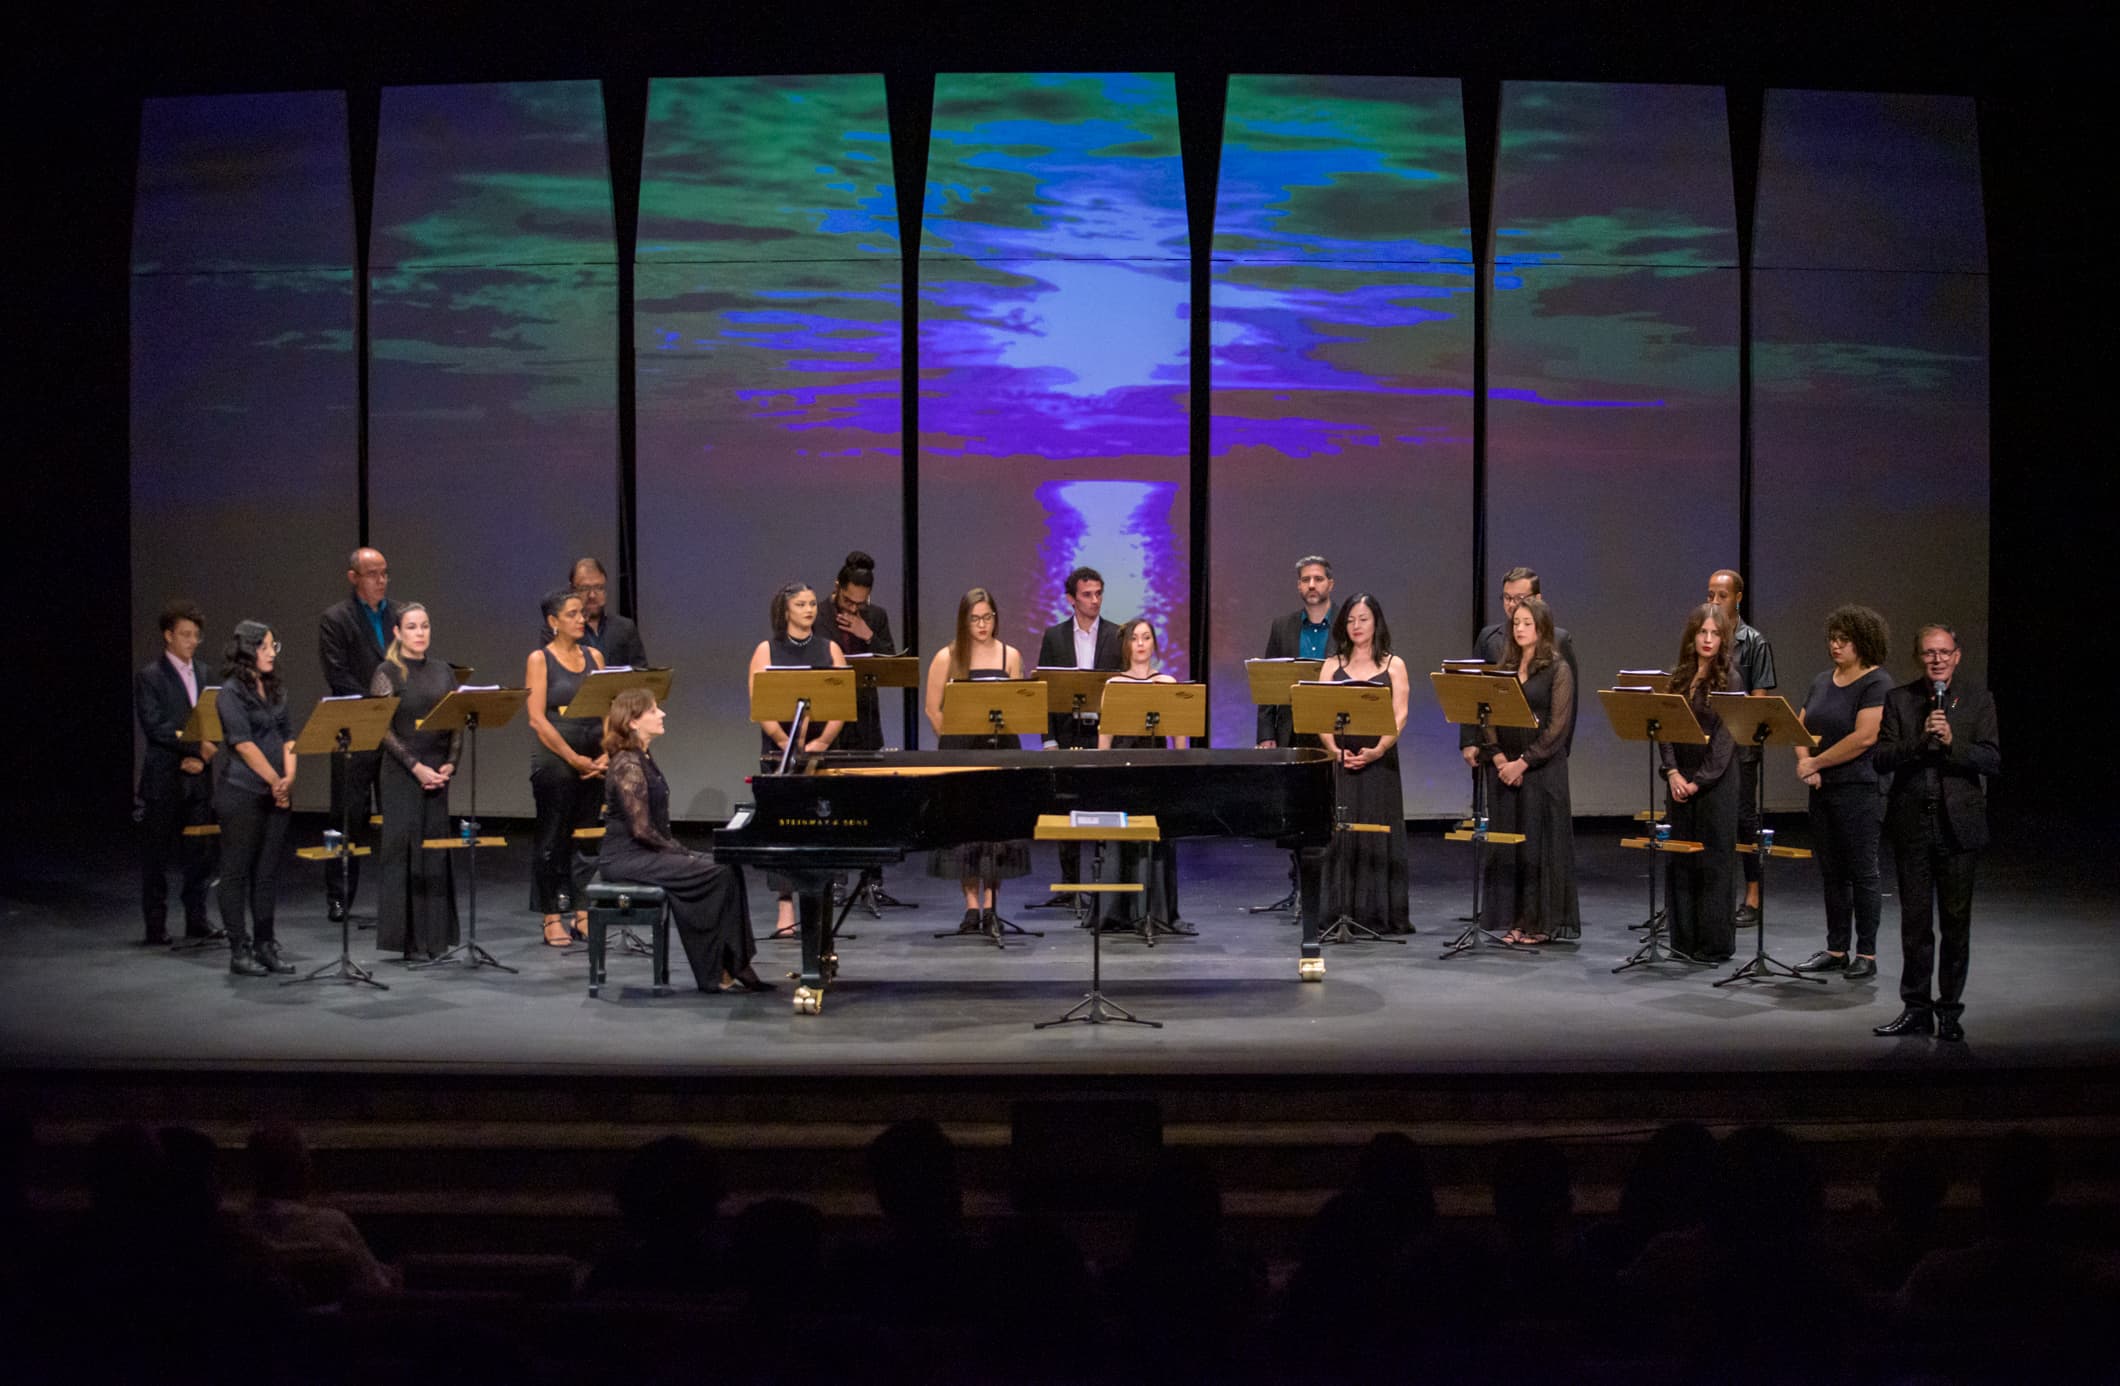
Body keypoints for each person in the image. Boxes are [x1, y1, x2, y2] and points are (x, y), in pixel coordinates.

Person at [1871, 623, 2000, 1041]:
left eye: (1944, 652)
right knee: (1915, 924)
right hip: (1913, 826)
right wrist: (1920, 738)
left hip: (1957, 827)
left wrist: (1950, 743)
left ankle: (1949, 1012)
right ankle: (1916, 1009)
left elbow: (1991, 759)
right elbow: (1881, 758)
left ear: (1957, 656)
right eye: (1929, 652)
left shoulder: (1977, 699)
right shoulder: (1900, 699)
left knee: (1956, 923)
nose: (1937, 659)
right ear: (1918, 657)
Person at [598, 688, 769, 993]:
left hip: (645, 852)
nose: (662, 714)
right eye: (653, 710)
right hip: (627, 858)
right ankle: (715, 970)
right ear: (633, 722)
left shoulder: (642, 756)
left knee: (728, 867)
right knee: (715, 873)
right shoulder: (627, 764)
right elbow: (641, 830)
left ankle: (735, 963)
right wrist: (679, 851)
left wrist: (678, 850)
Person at [1794, 604, 1894, 981]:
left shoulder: (1876, 683)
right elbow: (1799, 726)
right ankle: (1836, 949)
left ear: (1863, 642)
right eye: (1832, 639)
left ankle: (1866, 953)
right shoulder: (1822, 681)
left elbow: (1864, 737)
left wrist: (1817, 763)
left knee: (1862, 871)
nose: (1835, 646)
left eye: (1844, 640)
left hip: (1860, 789)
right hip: (1823, 790)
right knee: (1832, 872)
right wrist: (1805, 762)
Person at [924, 588, 1030, 932]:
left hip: (1001, 749)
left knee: (997, 830)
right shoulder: (947, 657)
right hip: (961, 753)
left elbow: (1018, 705)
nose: (982, 625)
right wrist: (953, 740)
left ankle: (991, 904)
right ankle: (972, 906)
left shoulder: (1010, 656)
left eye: (988, 617)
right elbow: (932, 708)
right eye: (975, 619)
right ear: (964, 620)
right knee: (965, 830)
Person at [748, 581, 848, 937]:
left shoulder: (830, 648)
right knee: (783, 826)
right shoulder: (767, 650)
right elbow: (759, 703)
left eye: (812, 604)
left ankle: (820, 904)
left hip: (822, 750)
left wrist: (822, 741)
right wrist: (784, 741)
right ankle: (785, 906)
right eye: (801, 604)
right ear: (785, 610)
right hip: (779, 751)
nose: (809, 610)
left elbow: (842, 703)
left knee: (823, 824)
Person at [1479, 596, 1581, 944]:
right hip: (1506, 769)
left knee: (1539, 845)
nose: (1520, 629)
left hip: (1541, 770)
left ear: (1542, 628)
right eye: (1516, 623)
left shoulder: (1557, 668)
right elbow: (1489, 715)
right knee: (1511, 846)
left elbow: (1557, 727)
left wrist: (1523, 762)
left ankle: (1540, 923)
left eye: (1527, 623)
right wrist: (1498, 759)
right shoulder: (1505, 666)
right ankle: (1515, 920)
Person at [366, 603, 460, 961]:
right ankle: (409, 941)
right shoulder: (387, 672)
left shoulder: (443, 671)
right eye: (412, 627)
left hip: (437, 771)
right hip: (402, 772)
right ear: (397, 632)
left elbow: (455, 721)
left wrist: (450, 763)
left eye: (425, 626)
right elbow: (382, 729)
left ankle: (435, 939)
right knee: (405, 851)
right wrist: (415, 766)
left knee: (434, 850)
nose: (420, 633)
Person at [1316, 593, 1414, 936]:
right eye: (1350, 620)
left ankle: (1378, 914)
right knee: (1340, 832)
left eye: (1363, 619)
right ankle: (1339, 910)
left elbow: (1400, 715)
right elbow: (1319, 715)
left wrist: (1378, 749)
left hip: (1379, 762)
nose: (1356, 626)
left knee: (1377, 829)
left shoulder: (1394, 665)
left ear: (1376, 623)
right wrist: (1334, 750)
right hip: (1341, 760)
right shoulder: (1332, 665)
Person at [1092, 617, 1189, 933]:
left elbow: (1179, 735)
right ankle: (1118, 912)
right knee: (1122, 839)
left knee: (1155, 839)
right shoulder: (1114, 685)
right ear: (1126, 645)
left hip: (1157, 772)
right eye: (1135, 638)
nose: (1141, 644)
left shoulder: (1167, 682)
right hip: (1123, 773)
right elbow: (1105, 739)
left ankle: (1155, 911)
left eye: (1147, 637)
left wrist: (1180, 768)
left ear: (1154, 643)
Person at [1034, 566, 1124, 906]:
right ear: (1071, 599)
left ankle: (1102, 884)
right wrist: (1048, 738)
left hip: (1102, 732)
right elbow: (1044, 690)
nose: (1095, 600)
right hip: (1067, 731)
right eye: (1087, 594)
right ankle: (1069, 885)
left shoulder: (1116, 635)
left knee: (1103, 804)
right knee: (1066, 806)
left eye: (1099, 593)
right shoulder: (1054, 637)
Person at [134, 599, 220, 946]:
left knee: (199, 852)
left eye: (195, 635)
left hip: (198, 778)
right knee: (157, 854)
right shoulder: (150, 676)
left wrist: (204, 755)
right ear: (168, 635)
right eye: (185, 634)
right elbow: (156, 726)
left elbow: (216, 718)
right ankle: (155, 925)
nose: (192, 641)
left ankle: (197, 919)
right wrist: (194, 749)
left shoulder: (206, 673)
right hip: (164, 777)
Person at [215, 621, 297, 977]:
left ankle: (265, 945)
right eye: (264, 647)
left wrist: (288, 780)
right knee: (236, 872)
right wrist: (274, 780)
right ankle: (239, 949)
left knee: (266, 874)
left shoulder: (275, 689)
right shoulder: (231, 692)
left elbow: (289, 737)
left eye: (273, 646)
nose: (271, 653)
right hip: (243, 793)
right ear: (247, 650)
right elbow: (243, 744)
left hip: (276, 795)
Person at [525, 587, 606, 948]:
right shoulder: (540, 659)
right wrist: (573, 758)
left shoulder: (595, 656)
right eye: (572, 614)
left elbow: (607, 710)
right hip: (557, 756)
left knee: (588, 838)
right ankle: (552, 915)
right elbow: (537, 719)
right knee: (554, 839)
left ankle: (583, 912)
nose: (580, 619)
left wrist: (607, 753)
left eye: (581, 613)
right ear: (553, 621)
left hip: (594, 755)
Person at [317, 547, 392, 922]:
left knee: (395, 814)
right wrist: (377, 702)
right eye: (372, 573)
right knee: (347, 816)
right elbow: (338, 674)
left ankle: (397, 898)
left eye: (384, 572)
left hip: (393, 730)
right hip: (354, 728)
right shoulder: (336, 618)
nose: (381, 580)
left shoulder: (399, 615)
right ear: (353, 577)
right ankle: (338, 895)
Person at [1660, 603, 1738, 962]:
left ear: (1723, 639)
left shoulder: (1731, 680)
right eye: (1702, 632)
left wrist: (1699, 782)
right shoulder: (1679, 678)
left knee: (1712, 861)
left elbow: (1724, 740)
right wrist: (1673, 772)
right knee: (1680, 859)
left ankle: (1712, 944)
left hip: (1714, 784)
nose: (1707, 639)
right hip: (1680, 779)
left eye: (1715, 633)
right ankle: (1684, 941)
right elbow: (1664, 728)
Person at [1708, 569, 1778, 927]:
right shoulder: (1706, 635)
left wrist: (1737, 732)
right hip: (1709, 743)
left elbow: (1759, 699)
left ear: (1738, 598)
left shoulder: (1753, 641)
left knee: (1744, 819)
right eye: (1710, 595)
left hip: (1740, 745)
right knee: (1711, 818)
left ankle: (1753, 894)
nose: (1715, 601)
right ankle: (1710, 894)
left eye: (1722, 595)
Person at [1460, 565, 1581, 770]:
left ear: (1538, 598)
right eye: (1507, 598)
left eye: (1519, 598)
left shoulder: (1558, 639)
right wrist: (1470, 740)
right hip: (1497, 748)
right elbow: (1475, 692)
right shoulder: (1489, 638)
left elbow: (1569, 701)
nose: (1512, 604)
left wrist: (1560, 748)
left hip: (1540, 751)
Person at [1256, 554, 1338, 750]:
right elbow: (1270, 682)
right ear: (1299, 586)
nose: (1312, 585)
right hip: (1291, 728)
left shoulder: (1348, 625)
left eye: (1318, 579)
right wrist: (1266, 733)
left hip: (1336, 725)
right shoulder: (1282, 626)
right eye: (1305, 580)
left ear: (1330, 584)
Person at [829, 549, 898, 752]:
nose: (853, 609)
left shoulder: (876, 616)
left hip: (865, 719)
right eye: (848, 601)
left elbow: (892, 664)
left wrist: (868, 635)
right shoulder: (820, 615)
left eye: (861, 603)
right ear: (837, 587)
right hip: (827, 715)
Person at [561, 557, 648, 669]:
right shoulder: (561, 629)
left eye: (598, 587)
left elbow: (641, 672)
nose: (592, 595)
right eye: (584, 588)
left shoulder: (625, 628)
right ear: (572, 590)